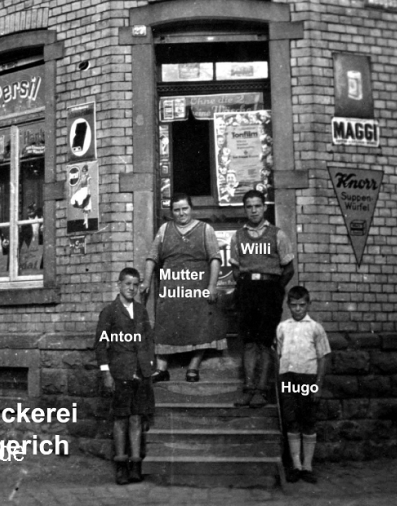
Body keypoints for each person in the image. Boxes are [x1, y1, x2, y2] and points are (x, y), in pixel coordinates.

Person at [143, 193, 224, 382]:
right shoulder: (164, 229)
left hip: (197, 286)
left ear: (191, 209)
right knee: (165, 323)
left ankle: (193, 367)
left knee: (201, 323)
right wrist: (146, 281)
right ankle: (162, 368)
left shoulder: (206, 229)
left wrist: (212, 285)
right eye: (176, 210)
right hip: (171, 287)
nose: (181, 213)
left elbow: (215, 259)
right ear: (172, 212)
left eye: (184, 209)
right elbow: (152, 257)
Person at [230, 189, 294, 407]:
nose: (253, 210)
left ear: (264, 207)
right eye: (249, 206)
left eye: (257, 206)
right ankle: (248, 388)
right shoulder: (238, 236)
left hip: (269, 290)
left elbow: (289, 268)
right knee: (249, 342)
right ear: (245, 209)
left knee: (265, 342)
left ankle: (262, 389)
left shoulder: (277, 234)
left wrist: (276, 290)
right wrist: (245, 287)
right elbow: (236, 269)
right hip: (247, 290)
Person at [95, 267, 155, 485]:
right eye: (128, 284)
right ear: (119, 285)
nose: (132, 288)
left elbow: (148, 339)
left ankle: (135, 465)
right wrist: (106, 373)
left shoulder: (141, 311)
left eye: (136, 284)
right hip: (119, 372)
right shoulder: (110, 312)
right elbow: (101, 345)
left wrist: (149, 364)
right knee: (121, 418)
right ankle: (121, 466)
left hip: (140, 373)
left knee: (137, 418)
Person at [276, 286, 331, 484]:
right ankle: (296, 466)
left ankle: (307, 467)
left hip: (308, 378)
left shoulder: (315, 327)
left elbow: (323, 357)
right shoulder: (282, 327)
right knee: (291, 420)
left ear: (308, 304)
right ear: (288, 306)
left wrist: (318, 385)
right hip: (288, 378)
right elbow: (279, 355)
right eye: (293, 305)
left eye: (301, 305)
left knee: (307, 420)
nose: (298, 309)